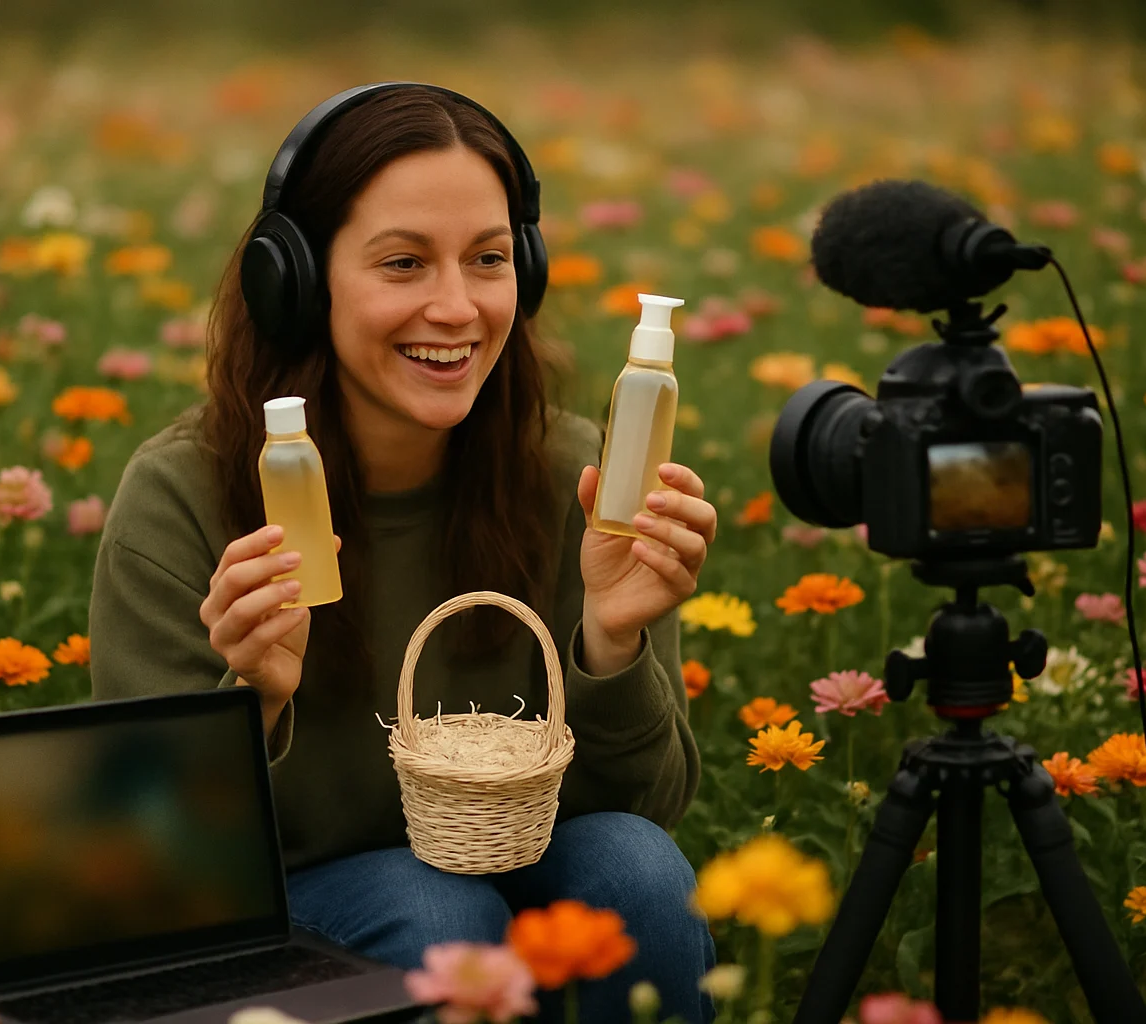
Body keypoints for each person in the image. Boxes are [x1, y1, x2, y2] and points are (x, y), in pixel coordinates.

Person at [89, 83, 718, 1024]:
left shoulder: (577, 471)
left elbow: (646, 809)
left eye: (489, 259)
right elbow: (151, 867)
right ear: (296, 281)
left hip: (512, 881)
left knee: (633, 869)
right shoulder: (185, 495)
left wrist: (613, 647)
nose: (457, 308)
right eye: (402, 263)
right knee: (435, 909)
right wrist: (251, 699)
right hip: (285, 921)